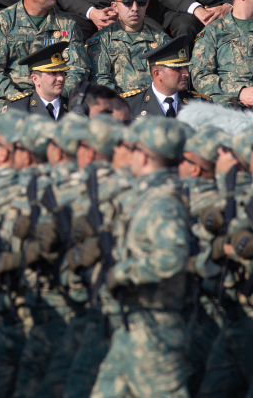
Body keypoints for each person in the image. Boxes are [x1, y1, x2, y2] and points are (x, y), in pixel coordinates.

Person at [91, 117, 189, 398]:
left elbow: (172, 256)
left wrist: (124, 272)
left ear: (144, 156)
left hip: (154, 333)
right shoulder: (146, 196)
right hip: (130, 326)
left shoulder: (163, 202)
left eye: (133, 150)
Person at [88, 0, 169, 94]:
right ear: (114, 6)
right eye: (127, 2)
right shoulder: (102, 40)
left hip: (153, 108)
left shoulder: (162, 40)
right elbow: (100, 80)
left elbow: (168, 80)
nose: (135, 8)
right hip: (116, 107)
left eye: (140, 1)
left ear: (147, 4)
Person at [122, 34, 210, 119]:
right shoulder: (130, 105)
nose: (186, 74)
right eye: (178, 69)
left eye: (186, 68)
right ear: (157, 74)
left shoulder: (201, 104)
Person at [5, 41, 71, 118]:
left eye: (62, 72)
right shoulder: (17, 108)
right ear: (35, 79)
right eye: (53, 73)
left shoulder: (75, 107)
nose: (61, 78)